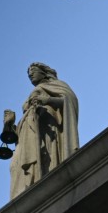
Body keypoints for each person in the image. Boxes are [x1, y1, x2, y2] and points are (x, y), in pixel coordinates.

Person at [9, 62, 79, 198]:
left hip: (48, 131)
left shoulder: (57, 86)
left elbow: (69, 101)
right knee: (14, 166)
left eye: (33, 71)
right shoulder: (31, 99)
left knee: (46, 160)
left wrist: (47, 100)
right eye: (29, 74)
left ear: (44, 72)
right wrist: (9, 125)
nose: (30, 74)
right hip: (28, 135)